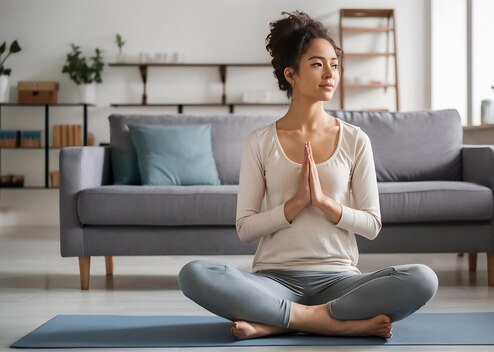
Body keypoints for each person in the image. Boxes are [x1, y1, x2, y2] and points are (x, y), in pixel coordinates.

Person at [178, 11, 438, 340]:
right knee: (195, 274)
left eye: (334, 64)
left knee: (422, 278)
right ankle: (329, 323)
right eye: (317, 64)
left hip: (340, 282)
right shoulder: (259, 141)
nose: (330, 73)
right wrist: (297, 203)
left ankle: (278, 323)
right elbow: (245, 228)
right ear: (291, 74)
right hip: (274, 282)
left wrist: (325, 203)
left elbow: (372, 224)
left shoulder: (356, 139)